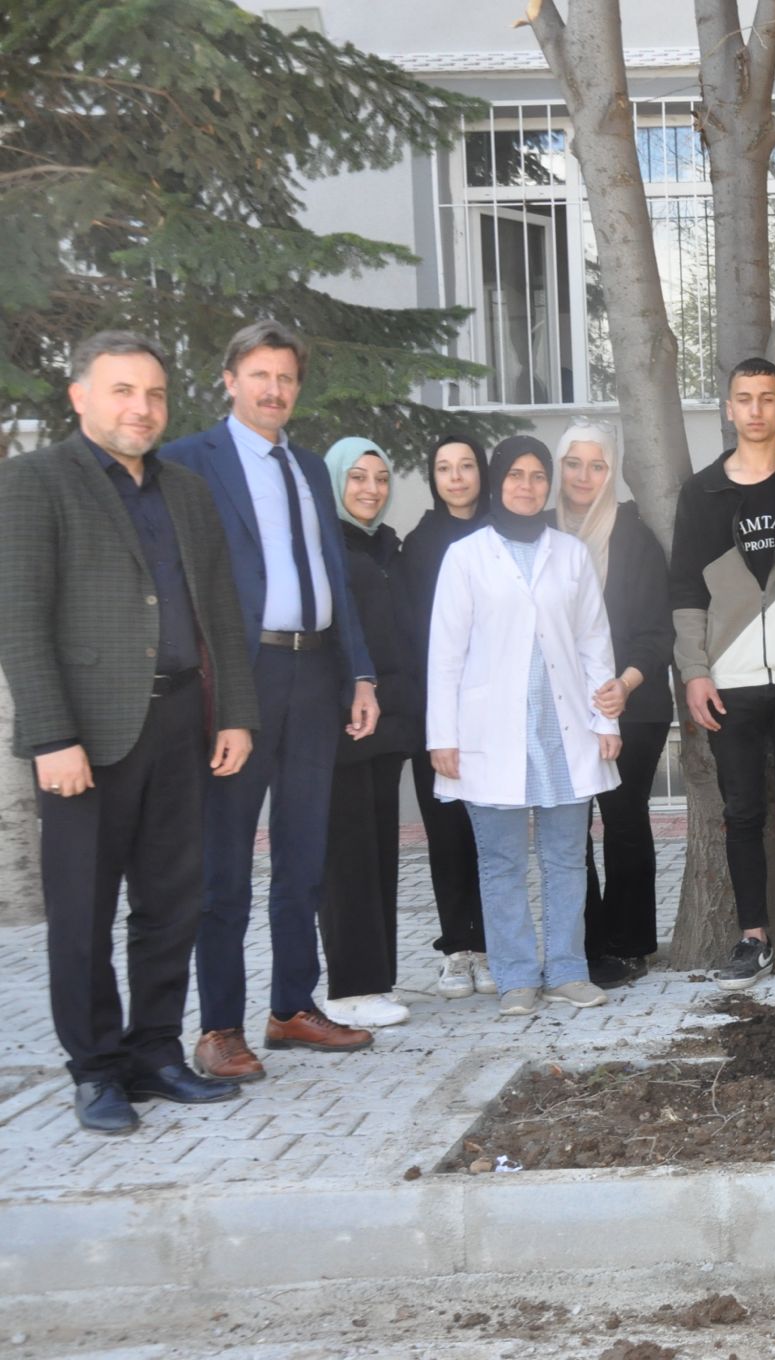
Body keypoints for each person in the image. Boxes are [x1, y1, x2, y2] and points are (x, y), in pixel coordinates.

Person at [0, 331, 260, 1134]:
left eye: (152, 394)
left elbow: (220, 609)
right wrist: (50, 736)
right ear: (80, 395)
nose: (140, 408)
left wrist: (238, 714)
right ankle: (97, 1070)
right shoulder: (34, 483)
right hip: (85, 739)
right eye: (122, 391)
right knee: (81, 914)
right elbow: (20, 620)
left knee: (171, 905)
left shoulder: (184, 490)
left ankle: (154, 1053)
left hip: (182, 722)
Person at [162, 320, 380, 1079]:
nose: (274, 390)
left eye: (286, 377)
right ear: (230, 378)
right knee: (225, 863)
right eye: (260, 375)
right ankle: (219, 1026)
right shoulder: (190, 461)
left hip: (316, 676)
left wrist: (360, 675)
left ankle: (291, 1008)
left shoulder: (312, 468)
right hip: (240, 679)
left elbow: (336, 582)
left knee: (304, 854)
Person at [426, 436, 625, 1016]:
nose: (528, 486)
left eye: (538, 476)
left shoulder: (570, 553)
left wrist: (604, 716)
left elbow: (594, 642)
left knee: (567, 857)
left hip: (563, 735)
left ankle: (567, 969)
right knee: (502, 862)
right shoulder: (466, 556)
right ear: (497, 482)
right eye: (516, 475)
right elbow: (445, 653)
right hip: (490, 737)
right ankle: (515, 978)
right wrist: (443, 735)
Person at [672, 358, 775, 991]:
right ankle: (751, 935)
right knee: (739, 812)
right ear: (728, 410)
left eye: (768, 398)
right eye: (744, 398)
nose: (757, 409)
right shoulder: (701, 492)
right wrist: (695, 672)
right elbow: (683, 589)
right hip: (729, 678)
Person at [555, 422, 676, 990]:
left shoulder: (632, 536)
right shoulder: (540, 533)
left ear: (612, 471)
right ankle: (586, 942)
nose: (583, 476)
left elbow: (657, 630)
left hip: (633, 701)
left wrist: (623, 684)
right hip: (562, 709)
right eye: (573, 463)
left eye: (596, 465)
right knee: (568, 829)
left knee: (624, 823)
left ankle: (628, 945)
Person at [316, 438, 422, 1029]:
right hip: (346, 724)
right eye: (357, 478)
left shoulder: (385, 545)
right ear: (336, 482)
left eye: (380, 478)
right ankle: (349, 989)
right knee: (348, 859)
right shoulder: (325, 544)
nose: (370, 489)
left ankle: (375, 980)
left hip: (390, 722)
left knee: (380, 853)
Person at [400, 434, 495, 999]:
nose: (456, 477)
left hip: (493, 712)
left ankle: (490, 945)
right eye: (443, 467)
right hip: (436, 714)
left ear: (481, 473)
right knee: (445, 834)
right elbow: (419, 636)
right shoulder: (419, 544)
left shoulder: (501, 536)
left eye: (465, 467)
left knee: (490, 834)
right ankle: (456, 948)